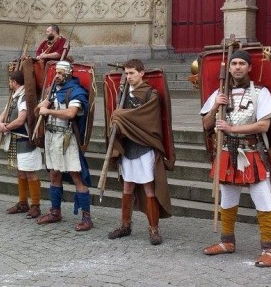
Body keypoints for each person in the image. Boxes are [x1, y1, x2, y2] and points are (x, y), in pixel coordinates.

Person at [200, 50, 271, 268]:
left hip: (253, 154)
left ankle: (268, 250)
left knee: (263, 201)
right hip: (226, 153)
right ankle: (227, 242)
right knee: (227, 201)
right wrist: (216, 105)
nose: (237, 67)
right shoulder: (219, 93)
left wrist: (232, 127)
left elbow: (264, 125)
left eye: (241, 63)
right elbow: (206, 125)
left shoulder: (260, 93)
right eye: (233, 63)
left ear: (249, 67)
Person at [106, 59, 172, 245]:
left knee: (149, 187)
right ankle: (125, 225)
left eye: (132, 73)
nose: (128, 77)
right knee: (127, 187)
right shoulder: (123, 93)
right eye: (126, 73)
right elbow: (117, 117)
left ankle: (153, 229)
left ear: (142, 73)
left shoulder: (152, 94)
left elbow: (145, 118)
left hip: (144, 146)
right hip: (128, 148)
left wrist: (120, 116)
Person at [35, 61, 93, 231]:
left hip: (67, 140)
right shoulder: (53, 91)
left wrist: (49, 111)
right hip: (52, 137)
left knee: (77, 177)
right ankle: (55, 212)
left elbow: (71, 113)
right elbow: (39, 112)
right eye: (56, 73)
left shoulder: (76, 91)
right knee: (54, 175)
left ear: (68, 74)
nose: (57, 76)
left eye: (60, 73)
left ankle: (87, 217)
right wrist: (42, 106)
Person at [0, 70, 43, 219]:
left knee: (30, 173)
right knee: (21, 172)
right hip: (15, 140)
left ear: (14, 82)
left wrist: (6, 127)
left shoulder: (24, 98)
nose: (9, 84)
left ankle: (35, 206)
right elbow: (4, 113)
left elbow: (20, 119)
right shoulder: (14, 96)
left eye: (10, 81)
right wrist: (0, 122)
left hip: (25, 139)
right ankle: (23, 203)